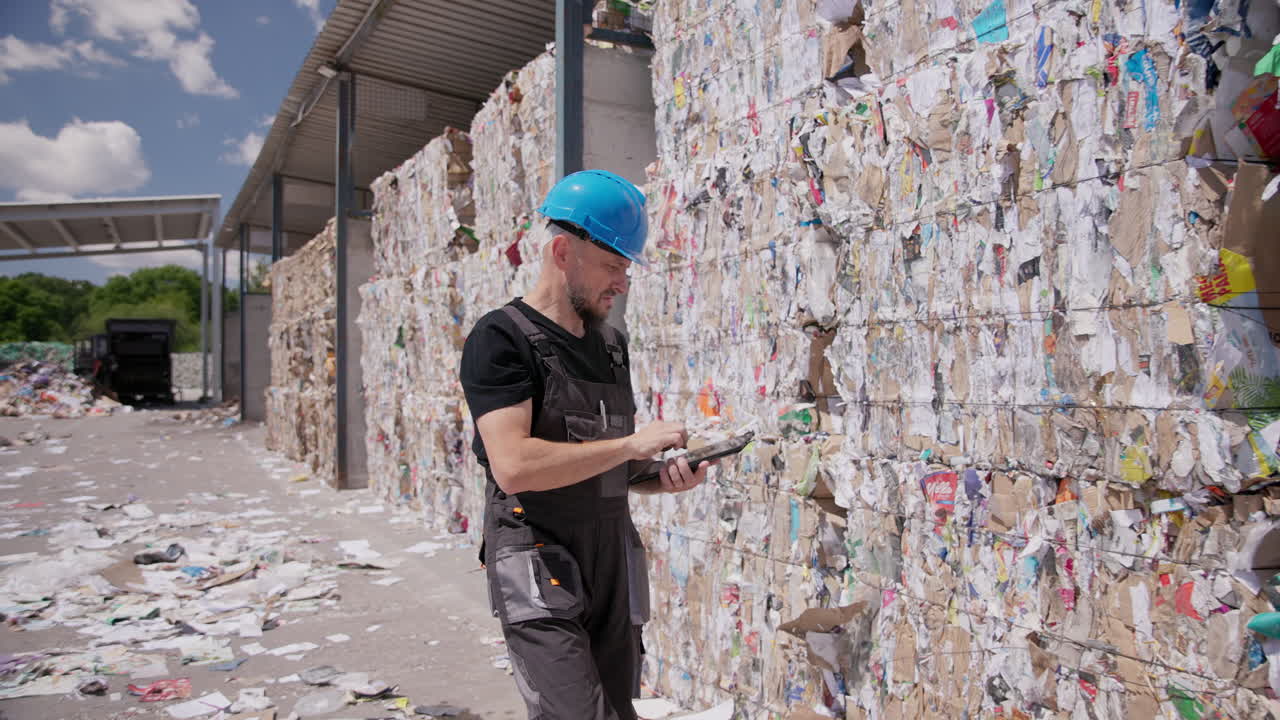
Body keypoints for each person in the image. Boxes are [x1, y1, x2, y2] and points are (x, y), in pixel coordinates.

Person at [460, 169, 712, 720]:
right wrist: (630, 447)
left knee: (618, 711)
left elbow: (614, 467)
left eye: (626, 269)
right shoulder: (501, 339)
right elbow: (514, 465)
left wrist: (661, 476)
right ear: (563, 252)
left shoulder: (611, 347)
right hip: (538, 556)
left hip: (611, 560)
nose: (622, 283)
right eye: (612, 266)